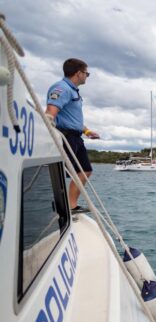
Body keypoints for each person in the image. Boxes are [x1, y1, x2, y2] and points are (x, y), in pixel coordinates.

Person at [45, 58, 100, 214]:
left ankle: (71, 205)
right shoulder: (61, 88)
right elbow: (51, 112)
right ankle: (59, 208)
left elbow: (72, 118)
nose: (87, 76)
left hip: (76, 137)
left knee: (85, 170)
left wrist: (87, 131)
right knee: (61, 173)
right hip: (66, 137)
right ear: (78, 73)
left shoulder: (73, 91)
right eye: (86, 73)